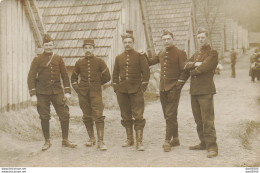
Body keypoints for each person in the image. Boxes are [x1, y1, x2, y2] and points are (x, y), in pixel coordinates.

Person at [139, 29, 188, 152]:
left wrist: (179, 84)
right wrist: (143, 54)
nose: (166, 41)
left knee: (170, 114)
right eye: (164, 39)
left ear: (173, 39)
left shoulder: (180, 53)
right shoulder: (161, 52)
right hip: (163, 87)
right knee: (168, 115)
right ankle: (175, 139)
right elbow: (149, 62)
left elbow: (184, 70)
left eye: (168, 39)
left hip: (174, 88)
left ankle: (167, 140)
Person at [27, 34, 77, 151]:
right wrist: (33, 94)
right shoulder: (37, 59)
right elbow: (31, 77)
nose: (48, 47)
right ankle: (47, 141)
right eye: (46, 45)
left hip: (57, 91)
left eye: (50, 45)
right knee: (44, 116)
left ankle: (65, 139)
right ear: (43, 46)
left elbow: (65, 76)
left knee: (64, 114)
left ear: (53, 46)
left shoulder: (58, 58)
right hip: (42, 92)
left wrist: (67, 91)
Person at [183, 27, 218, 158]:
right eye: (198, 38)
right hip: (195, 91)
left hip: (206, 90)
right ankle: (203, 143)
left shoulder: (213, 53)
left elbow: (205, 67)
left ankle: (212, 147)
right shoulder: (197, 53)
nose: (200, 39)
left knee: (207, 120)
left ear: (207, 38)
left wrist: (195, 68)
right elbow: (184, 64)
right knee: (198, 119)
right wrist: (195, 63)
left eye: (203, 37)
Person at [71, 39, 111, 151]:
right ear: (83, 49)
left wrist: (97, 83)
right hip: (83, 94)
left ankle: (101, 141)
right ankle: (91, 139)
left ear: (94, 49)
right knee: (87, 116)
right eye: (86, 48)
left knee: (98, 115)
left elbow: (108, 76)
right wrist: (78, 89)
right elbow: (73, 78)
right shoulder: (79, 62)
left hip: (96, 93)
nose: (88, 50)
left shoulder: (100, 62)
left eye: (90, 48)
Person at [112, 32, 150, 151]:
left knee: (138, 115)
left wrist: (142, 87)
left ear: (133, 43)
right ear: (123, 44)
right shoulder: (119, 57)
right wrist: (116, 87)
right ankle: (129, 139)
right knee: (125, 115)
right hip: (122, 91)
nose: (127, 44)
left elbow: (146, 72)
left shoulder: (139, 56)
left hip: (136, 90)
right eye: (125, 42)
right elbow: (115, 74)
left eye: (129, 42)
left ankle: (139, 142)